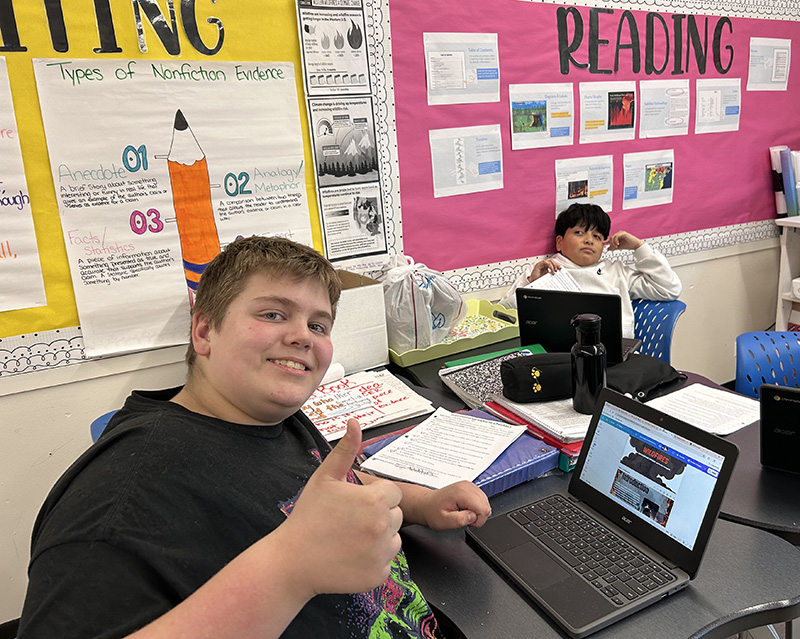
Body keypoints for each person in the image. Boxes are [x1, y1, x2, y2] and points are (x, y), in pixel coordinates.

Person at [17, 236, 491, 639]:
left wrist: (421, 503)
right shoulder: (120, 497)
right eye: (273, 314)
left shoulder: (273, 418)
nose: (303, 336)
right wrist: (289, 568)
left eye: (318, 325)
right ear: (205, 331)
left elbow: (329, 494)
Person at [498, 203, 681, 338]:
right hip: (554, 356)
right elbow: (503, 315)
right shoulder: (544, 269)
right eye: (579, 232)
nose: (589, 240)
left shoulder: (616, 271)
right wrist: (532, 284)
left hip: (611, 357)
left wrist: (639, 247)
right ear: (559, 242)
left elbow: (668, 289)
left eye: (597, 236)